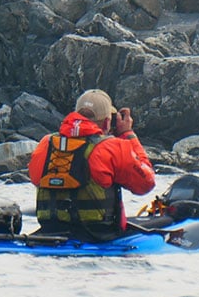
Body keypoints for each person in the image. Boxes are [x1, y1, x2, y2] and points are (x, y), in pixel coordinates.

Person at [28, 88, 156, 240]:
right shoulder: (113, 147)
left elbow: (35, 179)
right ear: (108, 121)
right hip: (98, 235)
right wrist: (128, 134)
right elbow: (146, 183)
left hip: (48, 234)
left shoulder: (46, 143)